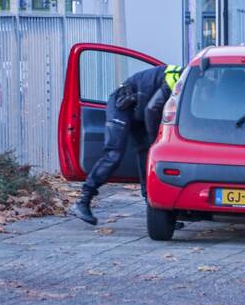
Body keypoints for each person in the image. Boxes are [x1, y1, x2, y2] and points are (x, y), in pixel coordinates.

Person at [72, 64, 182, 226]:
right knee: (113, 154)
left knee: (146, 157)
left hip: (139, 109)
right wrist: (155, 144)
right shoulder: (177, 78)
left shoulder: (186, 77)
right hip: (123, 104)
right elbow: (152, 109)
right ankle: (82, 201)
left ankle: (155, 213)